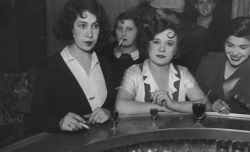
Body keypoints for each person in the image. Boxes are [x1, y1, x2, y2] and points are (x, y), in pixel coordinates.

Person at [24, 0, 115, 134]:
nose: (90, 34)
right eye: (82, 25)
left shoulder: (104, 63)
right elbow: (33, 121)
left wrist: (108, 112)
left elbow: (112, 105)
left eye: (95, 26)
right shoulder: (49, 67)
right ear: (70, 27)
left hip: (102, 149)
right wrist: (59, 122)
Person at [115, 19, 211, 115]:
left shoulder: (182, 73)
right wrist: (162, 107)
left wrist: (174, 105)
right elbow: (120, 106)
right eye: (156, 42)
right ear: (147, 45)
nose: (162, 49)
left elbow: (206, 105)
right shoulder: (134, 72)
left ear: (176, 50)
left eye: (169, 44)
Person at [195, 17, 250, 114]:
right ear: (224, 42)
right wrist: (210, 107)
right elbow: (195, 103)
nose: (235, 52)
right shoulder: (208, 63)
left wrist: (238, 86)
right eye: (230, 45)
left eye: (243, 47)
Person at [148, 0, 212, 75]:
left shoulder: (198, 34)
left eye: (159, 15)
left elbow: (197, 70)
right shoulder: (160, 31)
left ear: (172, 17)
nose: (156, 18)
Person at [101, 11, 146, 89]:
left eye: (129, 29)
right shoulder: (105, 54)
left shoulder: (145, 58)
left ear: (138, 32)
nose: (123, 34)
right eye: (120, 28)